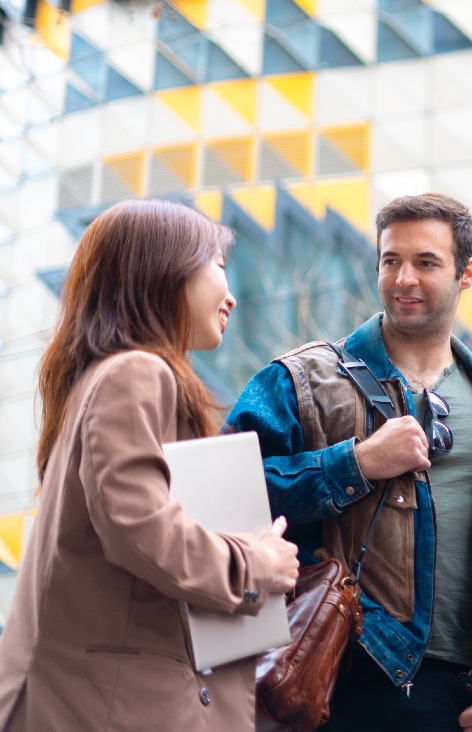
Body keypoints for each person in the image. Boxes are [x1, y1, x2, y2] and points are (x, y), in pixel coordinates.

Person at [224, 192, 472, 731]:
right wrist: (355, 463)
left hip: (465, 702)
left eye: (426, 262)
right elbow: (225, 499)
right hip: (331, 682)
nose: (404, 278)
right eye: (392, 261)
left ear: (467, 273)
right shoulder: (299, 381)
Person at [0, 199, 300, 731]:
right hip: (111, 706)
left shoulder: (101, 379)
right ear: (165, 269)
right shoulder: (136, 372)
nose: (230, 295)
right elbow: (139, 527)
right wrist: (257, 566)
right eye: (219, 268)